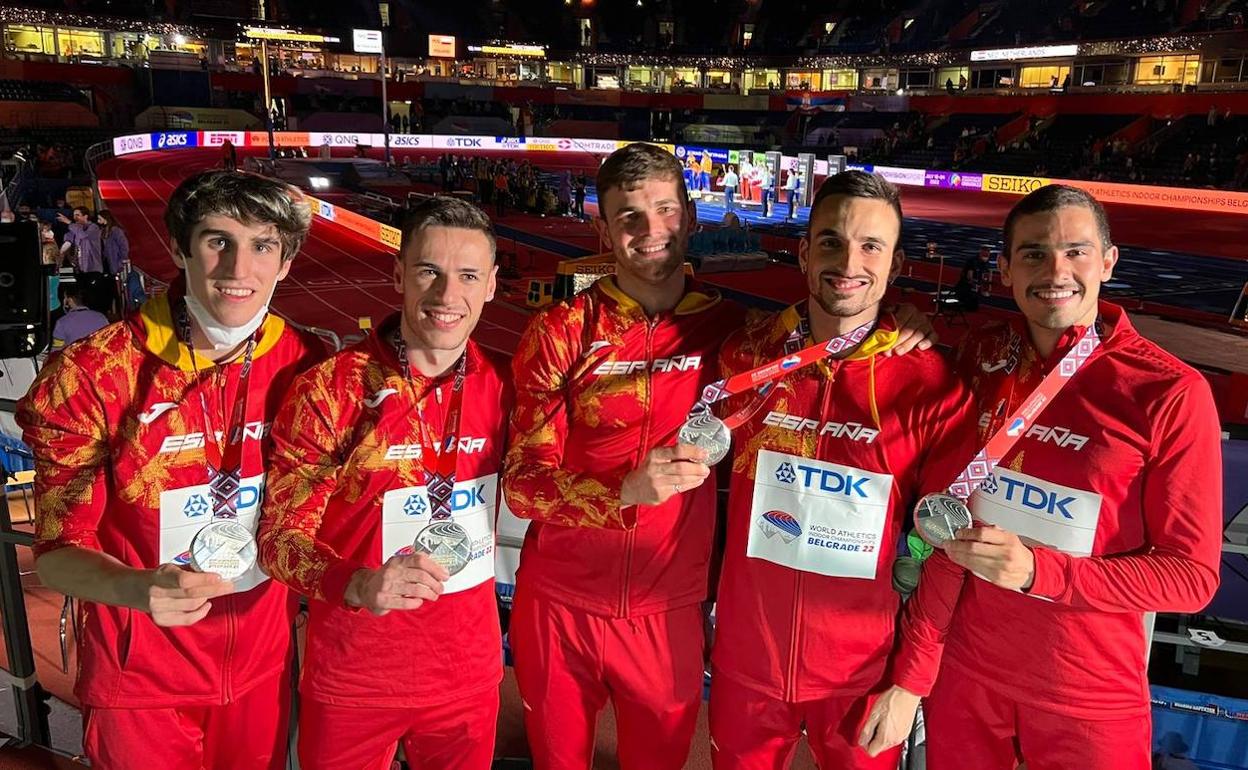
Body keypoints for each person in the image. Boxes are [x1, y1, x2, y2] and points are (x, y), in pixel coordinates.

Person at [876, 185, 1223, 769]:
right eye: (1034, 253)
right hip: (967, 672)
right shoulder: (980, 360)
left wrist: (1040, 571)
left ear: (1108, 261)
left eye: (1076, 252)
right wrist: (915, 671)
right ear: (1006, 268)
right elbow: (947, 534)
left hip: (1088, 693)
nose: (1055, 270)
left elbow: (1191, 579)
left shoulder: (1169, 392)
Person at [17, 170, 320, 769]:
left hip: (261, 667)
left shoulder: (311, 365)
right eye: (217, 241)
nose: (239, 269)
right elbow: (56, 550)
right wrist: (137, 588)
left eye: (262, 245)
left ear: (285, 263)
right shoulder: (94, 374)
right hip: (141, 677)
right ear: (179, 248)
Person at [709, 171, 976, 768]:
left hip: (864, 673)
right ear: (804, 252)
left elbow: (947, 546)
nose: (848, 261)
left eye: (870, 246)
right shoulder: (746, 357)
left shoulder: (932, 386)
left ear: (897, 263)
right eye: (830, 241)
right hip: (747, 664)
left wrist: (910, 680)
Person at [503, 142, 742, 770]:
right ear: (603, 228)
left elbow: (834, 344)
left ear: (689, 216)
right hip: (559, 605)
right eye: (629, 216)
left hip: (667, 612)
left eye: (664, 210)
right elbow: (523, 486)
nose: (650, 231)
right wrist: (621, 494)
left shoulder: (734, 334)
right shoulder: (560, 332)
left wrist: (906, 319)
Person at [259, 197, 510, 770]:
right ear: (397, 275)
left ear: (492, 285)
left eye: (467, 276)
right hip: (353, 676)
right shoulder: (331, 390)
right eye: (429, 272)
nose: (448, 297)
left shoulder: (507, 385)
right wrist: (356, 584)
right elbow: (277, 540)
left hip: (466, 677)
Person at [50, 285, 109, 350]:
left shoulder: (62, 322)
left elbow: (56, 351)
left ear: (70, 301)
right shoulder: (102, 318)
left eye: (65, 298)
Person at [58, 206, 103, 275]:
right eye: (74, 215)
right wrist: (62, 255)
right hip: (79, 268)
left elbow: (83, 235)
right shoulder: (75, 228)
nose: (75, 218)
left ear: (85, 216)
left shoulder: (93, 227)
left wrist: (69, 223)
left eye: (77, 215)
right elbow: (68, 241)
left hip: (92, 268)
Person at [98, 209, 130, 275]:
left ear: (105, 219)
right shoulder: (104, 230)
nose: (98, 221)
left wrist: (123, 258)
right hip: (109, 260)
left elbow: (123, 245)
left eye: (100, 219)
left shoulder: (116, 230)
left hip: (116, 260)